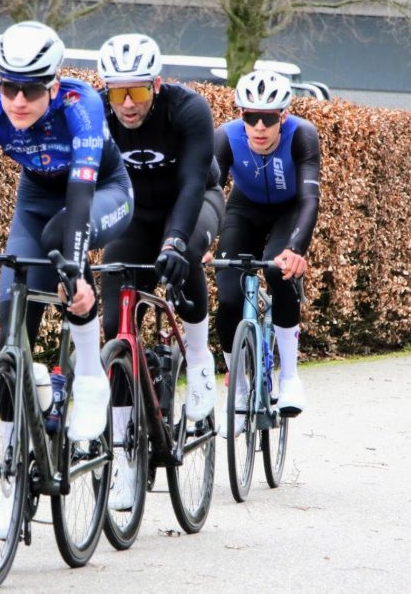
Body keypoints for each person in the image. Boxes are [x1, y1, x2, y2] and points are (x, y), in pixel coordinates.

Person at [0, 21, 134, 537]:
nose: (18, 100)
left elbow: (81, 197)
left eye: (32, 90)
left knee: (64, 254)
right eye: (9, 86)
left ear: (54, 85)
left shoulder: (81, 104)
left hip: (101, 192)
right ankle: (13, 478)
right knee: (11, 326)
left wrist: (76, 270)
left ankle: (90, 377)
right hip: (36, 200)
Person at [96, 33, 225, 510]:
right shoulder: (96, 113)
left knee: (184, 254)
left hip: (192, 202)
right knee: (115, 320)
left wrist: (173, 242)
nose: (127, 104)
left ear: (155, 84)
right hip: (133, 214)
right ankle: (123, 457)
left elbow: (192, 183)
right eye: (117, 92)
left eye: (137, 91)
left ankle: (199, 360)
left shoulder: (188, 109)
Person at [213, 70, 320, 437]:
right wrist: (197, 242)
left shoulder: (302, 135)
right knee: (228, 297)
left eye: (268, 118)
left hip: (288, 211)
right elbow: (210, 194)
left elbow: (310, 198)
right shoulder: (225, 138)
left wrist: (295, 249)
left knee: (278, 271)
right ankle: (240, 392)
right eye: (250, 117)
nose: (259, 127)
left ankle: (289, 377)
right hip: (243, 210)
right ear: (240, 114)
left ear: (283, 117)